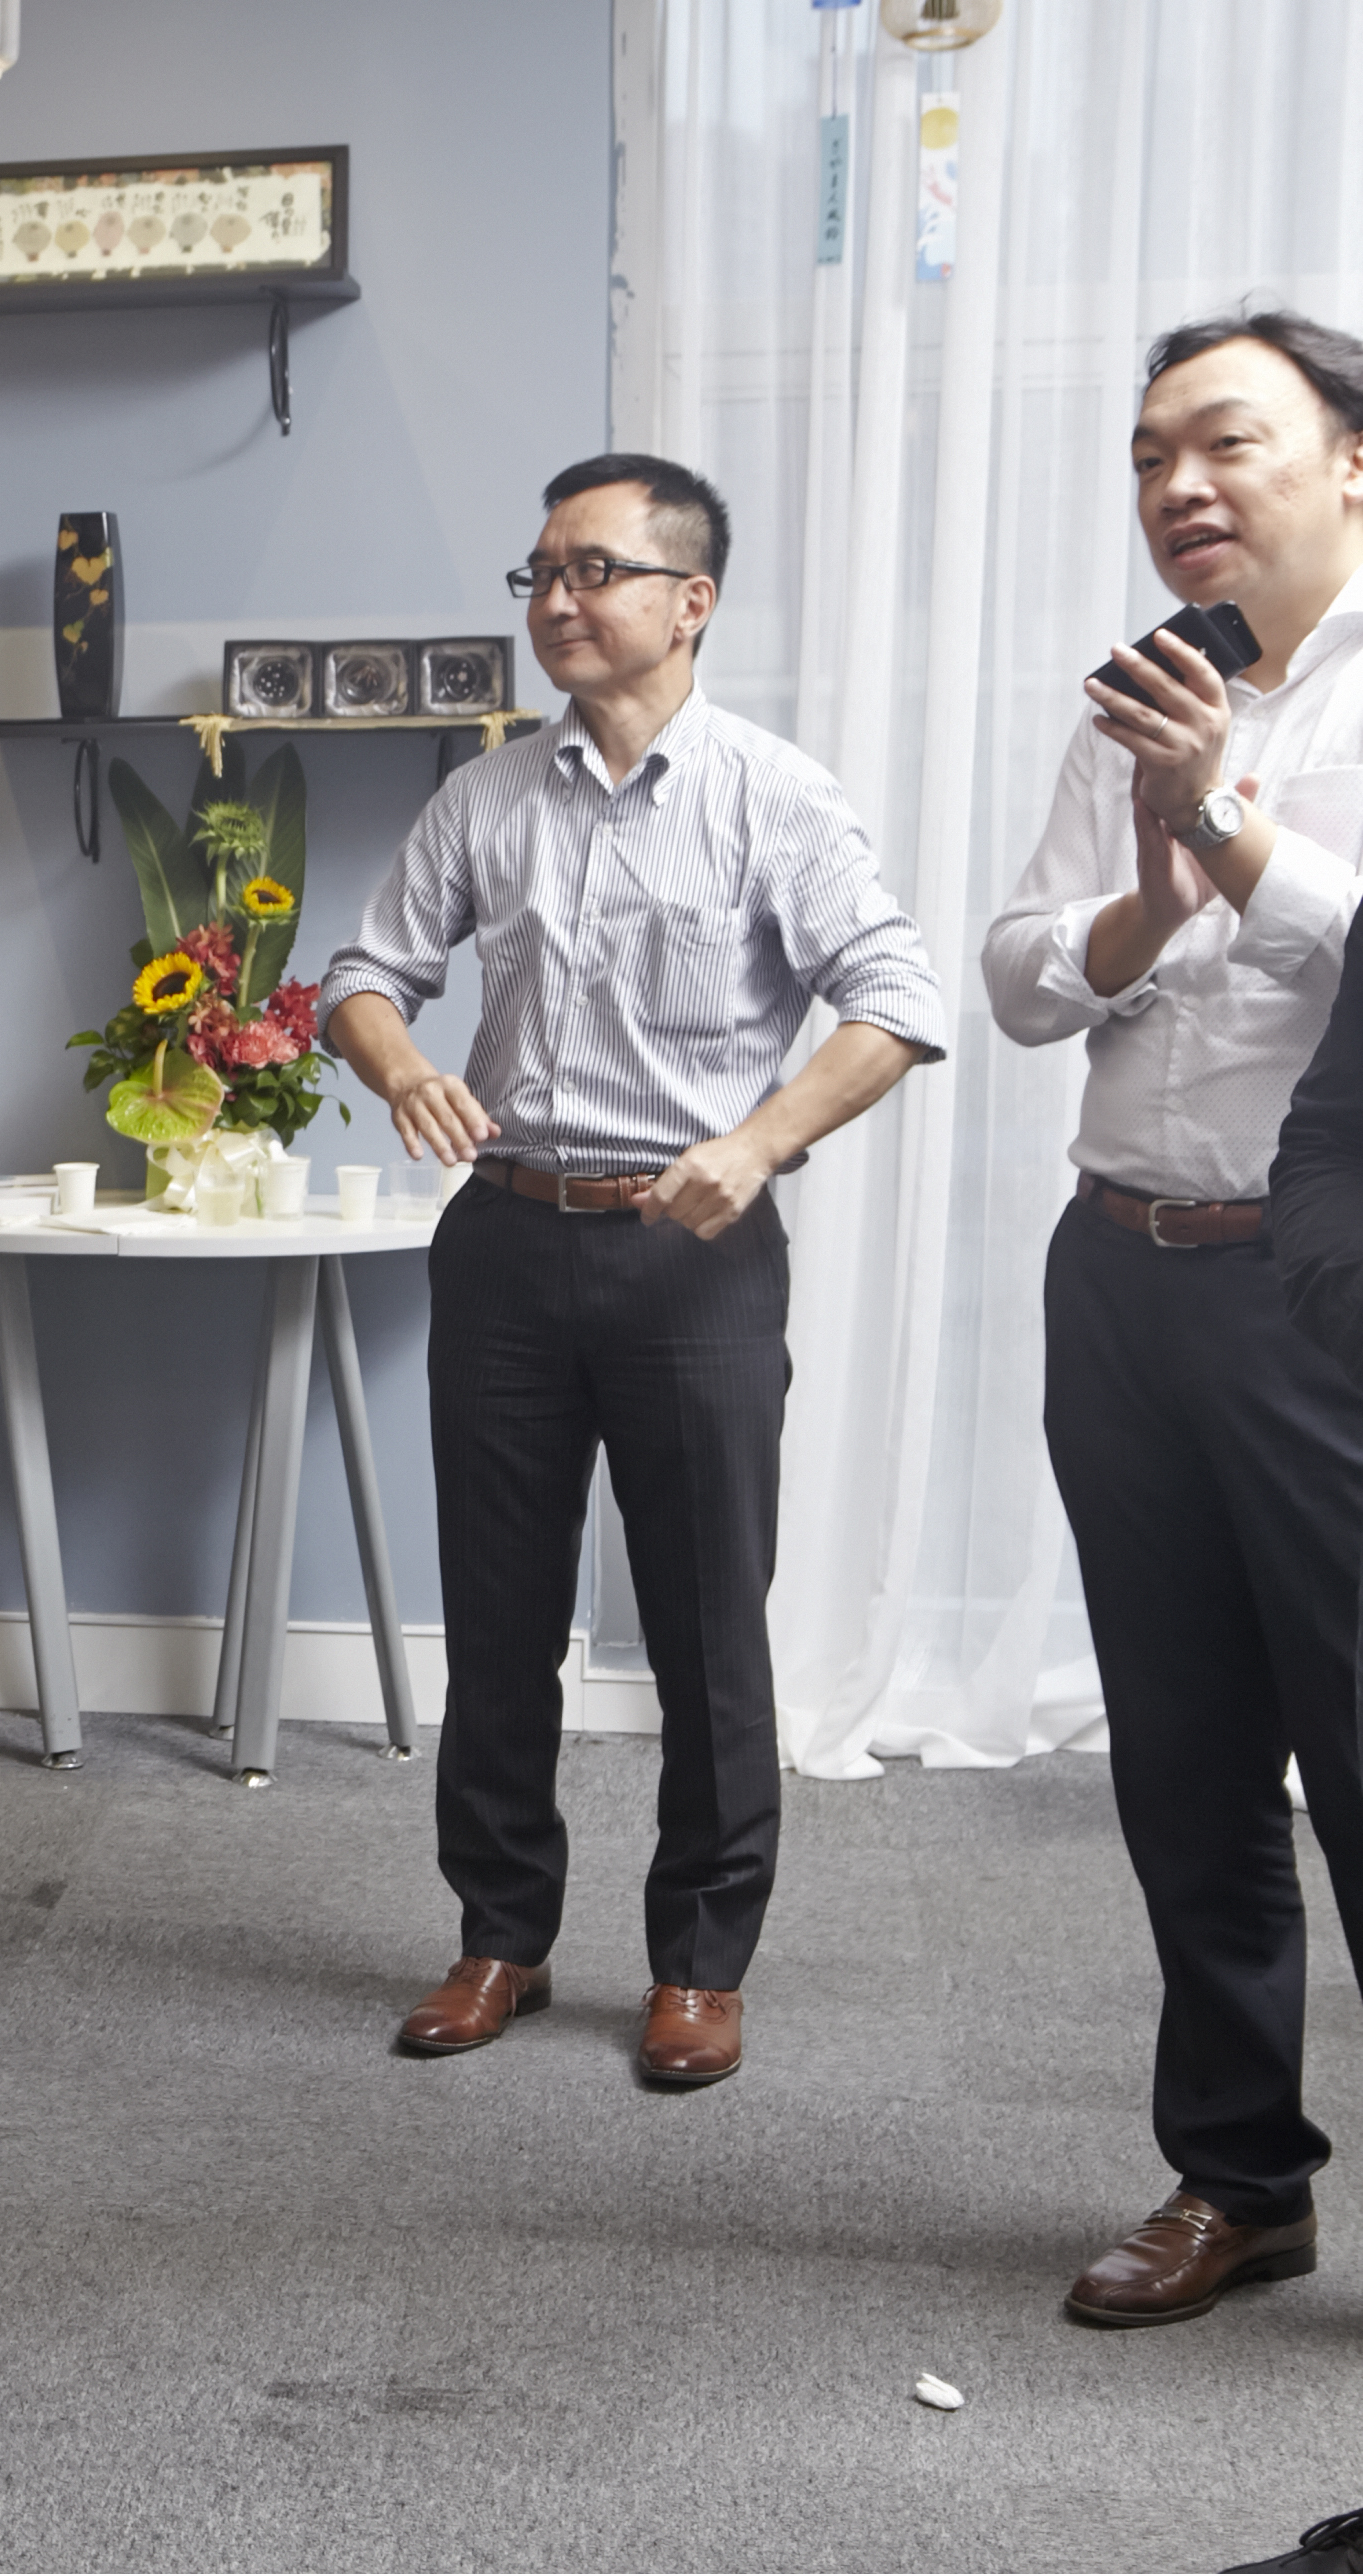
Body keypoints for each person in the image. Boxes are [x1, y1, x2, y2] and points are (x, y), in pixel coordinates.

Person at [323, 453, 944, 2089]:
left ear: (689, 600)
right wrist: (399, 1063)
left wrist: (759, 1141)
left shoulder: (773, 796)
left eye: (591, 569)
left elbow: (894, 1000)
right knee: (498, 1613)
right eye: (538, 572)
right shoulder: (483, 798)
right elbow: (361, 973)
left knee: (703, 1624)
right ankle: (498, 1934)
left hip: (693, 1256)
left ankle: (697, 1961)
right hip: (503, 1242)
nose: (555, 600)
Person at [1014, 312, 1363, 2327]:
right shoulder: (1142, 696)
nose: (1175, 486)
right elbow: (1016, 976)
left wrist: (1219, 822)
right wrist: (1147, 888)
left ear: (1349, 459)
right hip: (1118, 1273)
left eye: (1221, 441)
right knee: (1183, 1754)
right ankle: (1237, 2177)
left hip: (1318, 1299)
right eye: (1147, 453)